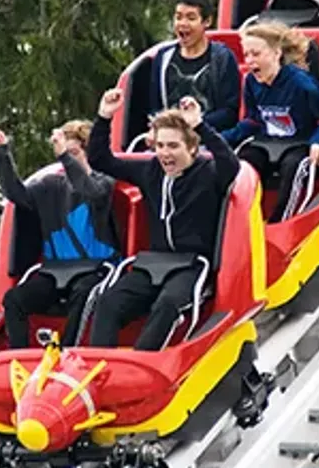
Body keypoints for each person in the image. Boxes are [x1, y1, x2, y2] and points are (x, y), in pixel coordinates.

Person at [86, 92, 241, 351]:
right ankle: (100, 368)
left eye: (173, 146)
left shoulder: (207, 173)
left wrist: (200, 125)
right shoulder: (150, 171)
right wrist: (104, 117)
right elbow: (99, 160)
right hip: (154, 263)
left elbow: (231, 166)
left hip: (193, 265)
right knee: (108, 301)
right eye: (160, 146)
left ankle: (142, 364)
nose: (165, 153)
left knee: (168, 304)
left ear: (191, 147)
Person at [0, 120, 119, 349]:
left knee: (83, 295)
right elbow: (17, 194)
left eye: (74, 153)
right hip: (56, 269)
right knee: (15, 300)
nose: (68, 159)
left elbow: (88, 189)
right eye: (64, 153)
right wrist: (1, 154)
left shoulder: (103, 183)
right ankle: (20, 356)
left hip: (95, 267)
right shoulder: (50, 185)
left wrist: (65, 159)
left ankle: (68, 352)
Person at [223, 21, 319, 216]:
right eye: (246, 54)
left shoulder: (302, 84)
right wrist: (220, 139)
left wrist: (317, 143)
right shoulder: (250, 82)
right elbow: (253, 121)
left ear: (276, 53)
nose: (249, 60)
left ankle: (280, 222)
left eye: (256, 54)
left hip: (299, 143)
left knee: (292, 167)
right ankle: (242, 221)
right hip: (267, 142)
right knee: (243, 165)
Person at [150, 0, 240, 134]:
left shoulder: (222, 57)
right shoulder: (163, 57)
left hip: (209, 136)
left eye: (191, 18)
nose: (183, 23)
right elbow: (155, 107)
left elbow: (229, 113)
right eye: (178, 17)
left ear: (207, 21)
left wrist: (194, 123)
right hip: (169, 136)